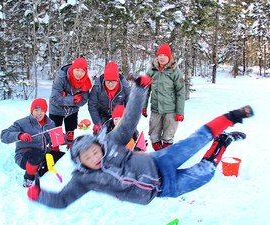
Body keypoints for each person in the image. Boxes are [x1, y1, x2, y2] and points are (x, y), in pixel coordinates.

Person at [27, 76, 254, 208]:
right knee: (205, 173)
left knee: (195, 140)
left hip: (159, 162)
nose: (94, 158)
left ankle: (231, 117)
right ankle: (222, 143)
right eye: (87, 158)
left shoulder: (112, 142)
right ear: (80, 163)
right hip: (162, 189)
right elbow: (63, 199)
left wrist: (140, 89)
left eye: (94, 152)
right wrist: (40, 195)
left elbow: (129, 120)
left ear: (99, 146)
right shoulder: (85, 180)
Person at [1, 98, 68, 187]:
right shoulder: (22, 123)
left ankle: (46, 173)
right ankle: (29, 178)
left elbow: (56, 140)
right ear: (32, 110)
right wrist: (19, 135)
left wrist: (67, 138)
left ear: (45, 112)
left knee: (65, 157)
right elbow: (4, 135)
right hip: (25, 156)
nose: (38, 113)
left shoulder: (50, 124)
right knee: (36, 154)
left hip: (44, 154)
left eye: (41, 110)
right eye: (36, 110)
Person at [142, 43, 185, 151]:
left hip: (171, 110)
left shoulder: (175, 72)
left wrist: (180, 112)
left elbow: (180, 92)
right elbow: (145, 90)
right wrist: (143, 106)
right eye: (160, 55)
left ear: (169, 57)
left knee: (168, 136)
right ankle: (159, 154)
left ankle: (165, 157)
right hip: (156, 109)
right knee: (154, 135)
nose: (162, 58)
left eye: (164, 55)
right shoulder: (152, 70)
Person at [49, 57, 92, 149]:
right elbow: (54, 98)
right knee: (56, 134)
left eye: (82, 71)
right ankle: (54, 151)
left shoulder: (85, 81)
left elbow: (83, 101)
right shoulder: (61, 76)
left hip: (72, 111)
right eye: (77, 70)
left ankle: (69, 152)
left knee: (70, 134)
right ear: (73, 68)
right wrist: (72, 99)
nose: (79, 74)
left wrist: (65, 97)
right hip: (56, 109)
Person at [88, 61, 131, 134]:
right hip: (102, 114)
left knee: (124, 133)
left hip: (118, 114)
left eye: (113, 81)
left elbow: (130, 105)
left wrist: (128, 121)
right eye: (107, 81)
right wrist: (97, 122)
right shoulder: (97, 86)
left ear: (117, 80)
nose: (110, 84)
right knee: (100, 133)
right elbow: (92, 105)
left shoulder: (125, 86)